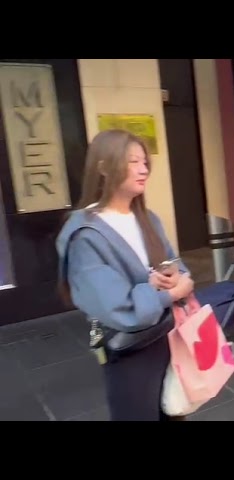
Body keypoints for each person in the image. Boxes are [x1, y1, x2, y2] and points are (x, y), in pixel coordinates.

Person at [56, 129, 194, 421]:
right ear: (103, 167)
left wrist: (180, 277)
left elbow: (175, 264)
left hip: (169, 336)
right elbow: (117, 307)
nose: (143, 169)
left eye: (144, 162)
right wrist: (170, 293)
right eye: (133, 162)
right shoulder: (86, 235)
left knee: (175, 410)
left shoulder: (147, 218)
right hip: (130, 350)